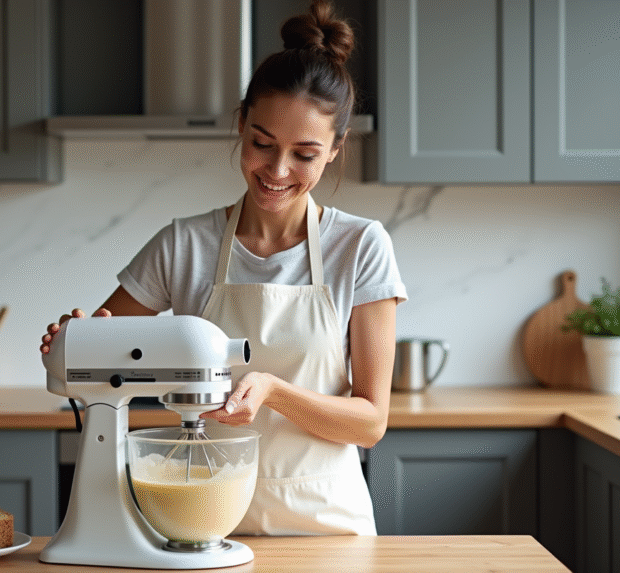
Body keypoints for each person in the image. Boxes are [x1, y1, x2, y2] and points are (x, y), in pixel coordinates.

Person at [40, 0, 406, 536]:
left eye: (304, 154)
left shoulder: (360, 246)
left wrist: (273, 390)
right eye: (262, 144)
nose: (277, 170)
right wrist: (71, 346)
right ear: (241, 124)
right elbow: (101, 350)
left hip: (327, 528)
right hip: (200, 521)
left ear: (334, 149)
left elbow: (372, 422)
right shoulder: (185, 244)